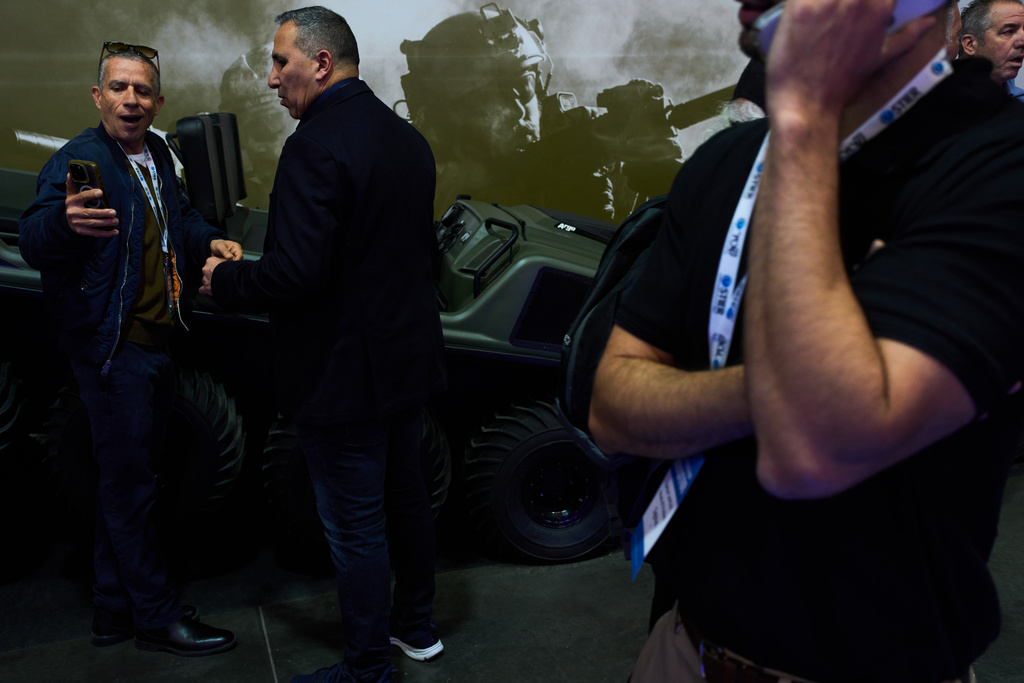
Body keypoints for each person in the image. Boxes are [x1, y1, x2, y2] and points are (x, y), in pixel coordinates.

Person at [588, 0, 1024, 681]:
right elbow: (612, 408)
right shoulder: (728, 161)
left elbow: (812, 452)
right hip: (685, 647)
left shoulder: (996, 168)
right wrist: (797, 386)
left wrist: (804, 117)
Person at [200, 7, 447, 683]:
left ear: (322, 63)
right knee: (407, 500)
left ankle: (368, 668)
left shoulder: (313, 146)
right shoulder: (406, 138)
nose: (271, 79)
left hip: (344, 377)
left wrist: (225, 280)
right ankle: (417, 628)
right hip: (402, 366)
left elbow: (296, 274)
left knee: (356, 526)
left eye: (281, 62)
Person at [18, 42, 242, 656]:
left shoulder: (158, 153)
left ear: (158, 101)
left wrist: (210, 241)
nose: (131, 99)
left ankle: (114, 612)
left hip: (157, 343)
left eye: (142, 90)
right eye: (118, 87)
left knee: (123, 484)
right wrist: (64, 223)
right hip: (114, 351)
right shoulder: (80, 159)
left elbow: (179, 218)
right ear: (98, 96)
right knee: (131, 490)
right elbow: (33, 238)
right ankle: (156, 618)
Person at [398, 3, 684, 221]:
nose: (515, 110)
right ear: (443, 122)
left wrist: (669, 188)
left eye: (522, 86)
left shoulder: (589, 149)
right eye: (483, 100)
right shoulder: (421, 191)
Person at [959, 0, 1024, 95]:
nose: (1022, 42)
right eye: (1008, 31)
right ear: (970, 44)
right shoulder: (939, 96)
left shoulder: (1019, 101)